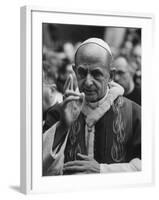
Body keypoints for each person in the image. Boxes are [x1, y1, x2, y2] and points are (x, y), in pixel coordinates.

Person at [42, 38, 141, 176]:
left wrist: (102, 170)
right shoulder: (59, 112)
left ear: (111, 75)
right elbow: (37, 169)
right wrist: (63, 126)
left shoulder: (134, 113)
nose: (88, 82)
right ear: (74, 70)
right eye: (82, 72)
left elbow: (149, 167)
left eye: (96, 73)